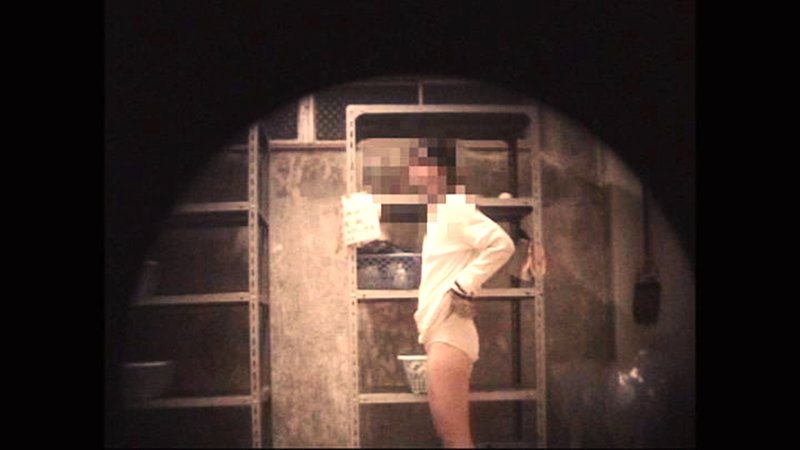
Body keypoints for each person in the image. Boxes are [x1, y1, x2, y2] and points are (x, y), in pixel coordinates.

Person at [408, 140, 515, 448]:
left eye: (419, 165)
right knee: (450, 439)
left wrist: (464, 284)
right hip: (441, 334)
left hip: (450, 334)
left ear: (438, 170)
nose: (413, 173)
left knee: (457, 442)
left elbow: (502, 244)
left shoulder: (453, 208)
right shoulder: (440, 213)